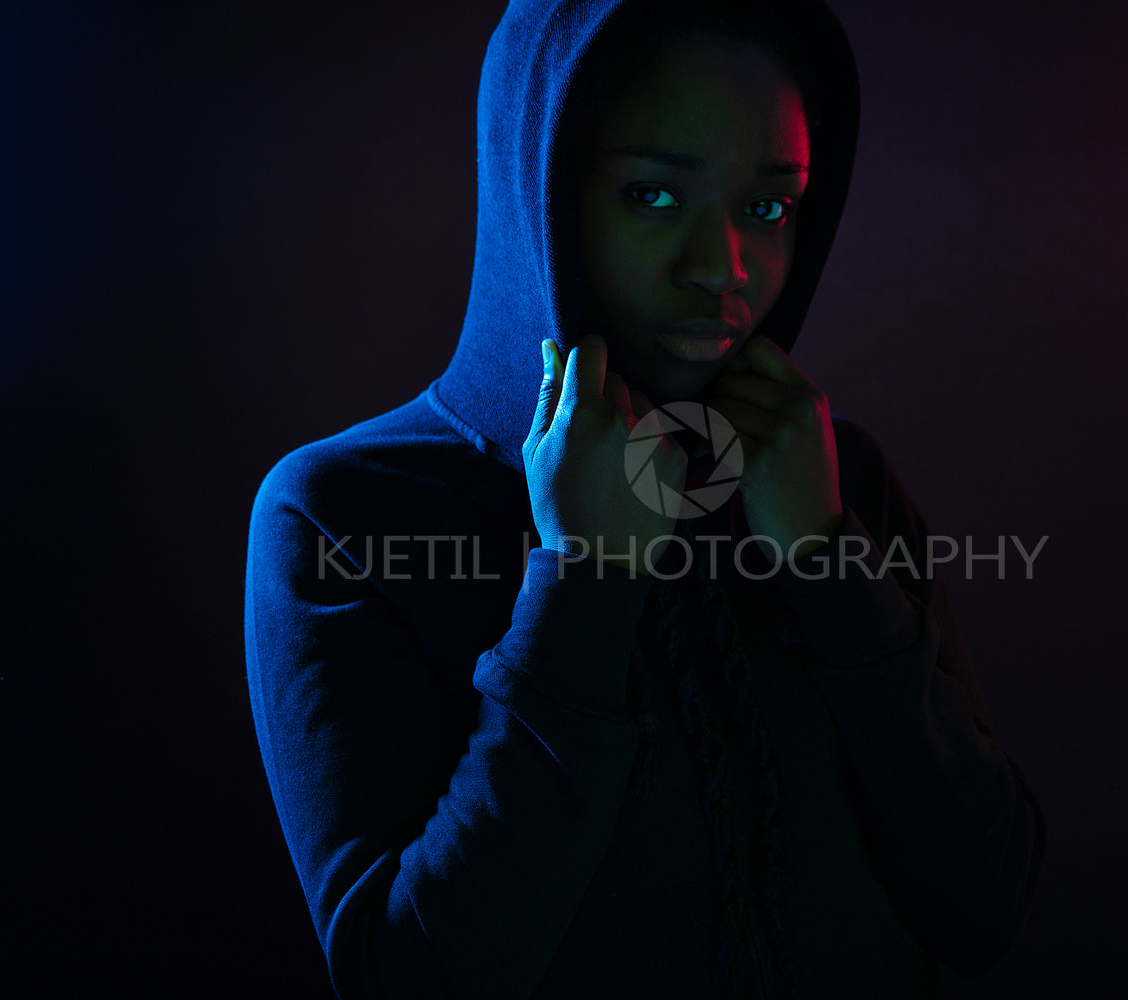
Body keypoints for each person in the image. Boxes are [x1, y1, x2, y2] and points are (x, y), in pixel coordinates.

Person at [243, 1, 1045, 997]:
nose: (724, 272)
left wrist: (828, 567)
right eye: (654, 197)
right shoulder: (343, 518)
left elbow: (986, 903)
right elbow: (415, 982)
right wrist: (584, 584)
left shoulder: (837, 481)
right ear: (539, 192)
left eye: (768, 207)